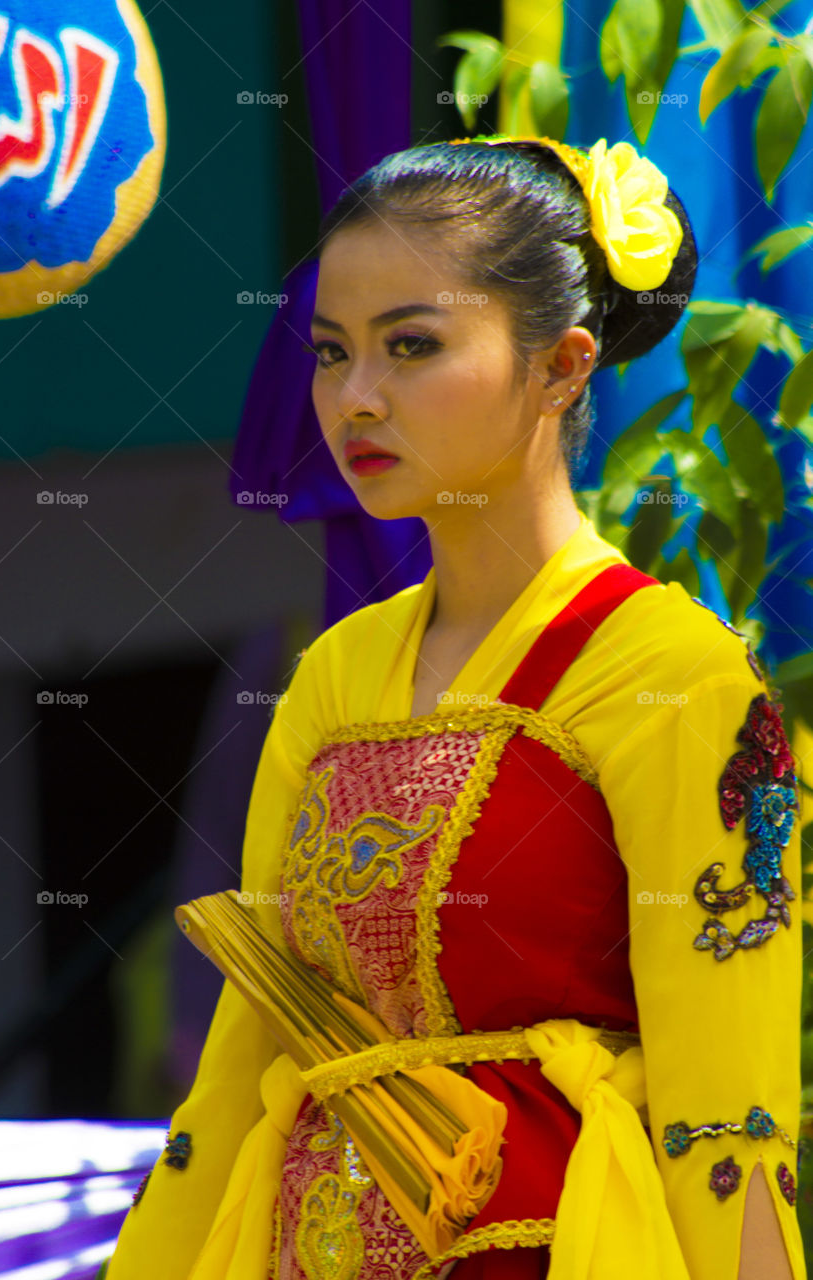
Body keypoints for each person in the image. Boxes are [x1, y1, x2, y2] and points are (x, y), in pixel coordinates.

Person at [103, 134, 806, 1279]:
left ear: (561, 365)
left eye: (411, 346)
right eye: (331, 353)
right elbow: (238, 1067)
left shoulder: (671, 672)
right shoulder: (335, 675)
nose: (356, 397)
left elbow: (724, 1107)